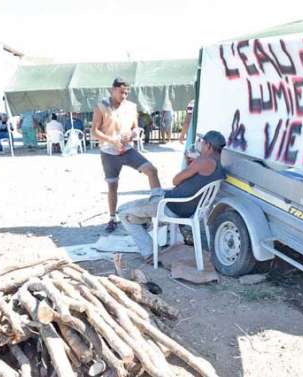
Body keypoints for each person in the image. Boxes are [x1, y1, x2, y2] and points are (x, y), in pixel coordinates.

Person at [119, 130, 226, 259]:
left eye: (202, 143)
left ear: (208, 145)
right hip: (183, 206)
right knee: (154, 189)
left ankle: (150, 253)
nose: (200, 145)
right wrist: (191, 165)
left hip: (171, 206)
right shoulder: (219, 166)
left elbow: (175, 180)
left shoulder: (203, 161)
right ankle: (145, 220)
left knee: (123, 212)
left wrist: (191, 164)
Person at [92, 77, 162, 233]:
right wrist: (112, 141)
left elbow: (135, 127)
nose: (124, 96)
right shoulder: (101, 106)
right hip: (109, 152)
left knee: (152, 170)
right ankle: (112, 218)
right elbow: (94, 131)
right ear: (113, 89)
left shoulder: (131, 106)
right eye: (121, 92)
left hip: (127, 149)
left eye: (126, 93)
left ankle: (157, 208)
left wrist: (133, 134)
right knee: (112, 185)